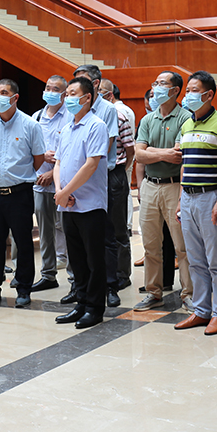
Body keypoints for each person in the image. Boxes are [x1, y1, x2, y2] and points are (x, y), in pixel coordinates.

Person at [0, 78, 46, 309]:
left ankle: (23, 288)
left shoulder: (30, 125)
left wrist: (18, 174)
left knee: (23, 242)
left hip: (19, 193)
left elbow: (38, 158)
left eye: (4, 92)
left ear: (15, 97)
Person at [173, 70, 217, 336]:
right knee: (194, 258)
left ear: (209, 94)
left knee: (216, 260)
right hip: (188, 197)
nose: (188, 95)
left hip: (210, 196)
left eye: (194, 90)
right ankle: (201, 310)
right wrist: (180, 200)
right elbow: (184, 164)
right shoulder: (187, 124)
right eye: (187, 90)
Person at [53, 76, 110, 329]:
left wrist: (66, 191)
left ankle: (95, 308)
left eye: (72, 94)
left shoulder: (96, 126)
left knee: (93, 259)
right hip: (67, 203)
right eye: (66, 94)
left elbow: (91, 164)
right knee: (76, 258)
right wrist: (60, 191)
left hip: (90, 204)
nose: (67, 98)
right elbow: (58, 162)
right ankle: (81, 303)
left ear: (87, 98)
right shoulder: (67, 128)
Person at [133, 71, 193, 312]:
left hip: (174, 186)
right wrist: (161, 153)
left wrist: (150, 151)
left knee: (182, 246)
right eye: (155, 83)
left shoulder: (185, 117)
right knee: (151, 244)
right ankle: (153, 292)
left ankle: (189, 294)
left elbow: (178, 155)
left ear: (175, 90)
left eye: (161, 83)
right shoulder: (148, 119)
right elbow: (139, 155)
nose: (155, 87)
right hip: (150, 185)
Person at [72, 66, 125, 307]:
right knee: (80, 237)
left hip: (103, 177)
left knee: (107, 234)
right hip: (78, 179)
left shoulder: (107, 110)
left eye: (83, 81)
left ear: (95, 84)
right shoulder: (73, 110)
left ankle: (111, 286)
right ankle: (80, 287)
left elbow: (106, 145)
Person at [99, 78, 136, 306]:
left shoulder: (118, 115)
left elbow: (130, 149)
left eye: (101, 91)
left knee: (118, 228)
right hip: (94, 176)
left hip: (115, 173)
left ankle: (122, 274)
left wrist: (122, 170)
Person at [33, 76, 69, 296]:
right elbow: (29, 147)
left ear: (64, 94)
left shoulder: (70, 116)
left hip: (63, 184)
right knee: (45, 232)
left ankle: (75, 278)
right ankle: (48, 274)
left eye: (56, 89)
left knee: (68, 229)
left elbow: (71, 152)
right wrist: (40, 159)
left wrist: (52, 171)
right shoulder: (37, 116)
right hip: (39, 183)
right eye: (48, 88)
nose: (50, 92)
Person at [104, 82, 136, 238]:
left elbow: (130, 148)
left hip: (118, 166)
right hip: (105, 170)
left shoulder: (119, 113)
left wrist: (124, 167)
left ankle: (126, 227)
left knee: (119, 206)